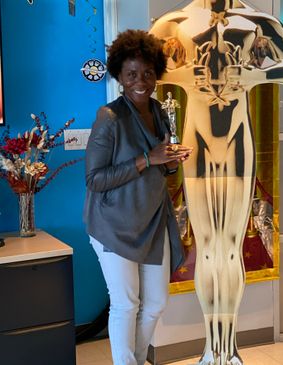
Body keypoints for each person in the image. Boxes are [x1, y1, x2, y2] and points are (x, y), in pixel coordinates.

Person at [150, 1, 283, 364]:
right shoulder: (172, 22)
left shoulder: (257, 20)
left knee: (230, 245)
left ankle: (228, 350)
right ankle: (212, 350)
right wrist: (182, 76)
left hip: (239, 142)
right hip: (198, 143)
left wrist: (256, 76)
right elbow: (133, 71)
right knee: (207, 244)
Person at [83, 29, 193, 365]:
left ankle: (137, 359)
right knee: (126, 303)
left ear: (157, 73)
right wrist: (149, 159)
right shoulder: (109, 117)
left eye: (147, 73)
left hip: (151, 222)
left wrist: (169, 163)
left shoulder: (159, 111)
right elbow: (95, 179)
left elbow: (160, 168)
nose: (140, 81)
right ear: (119, 75)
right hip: (112, 226)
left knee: (156, 303)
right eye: (132, 74)